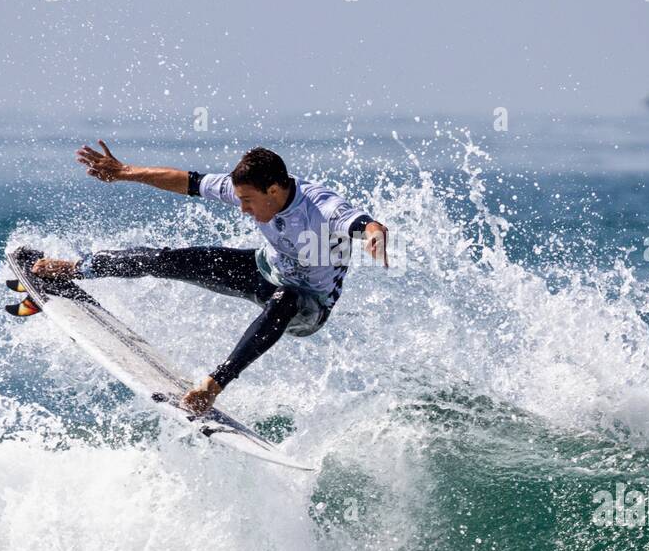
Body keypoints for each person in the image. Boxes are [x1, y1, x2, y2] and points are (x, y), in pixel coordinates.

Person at [31, 142, 388, 415]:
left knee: (286, 301)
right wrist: (125, 171)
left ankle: (213, 385)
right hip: (267, 271)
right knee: (171, 259)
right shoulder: (251, 190)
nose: (244, 209)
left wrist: (374, 234)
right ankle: (79, 268)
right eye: (240, 199)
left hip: (308, 306)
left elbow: (360, 221)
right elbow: (189, 182)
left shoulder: (320, 206)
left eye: (249, 201)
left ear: (275, 191)